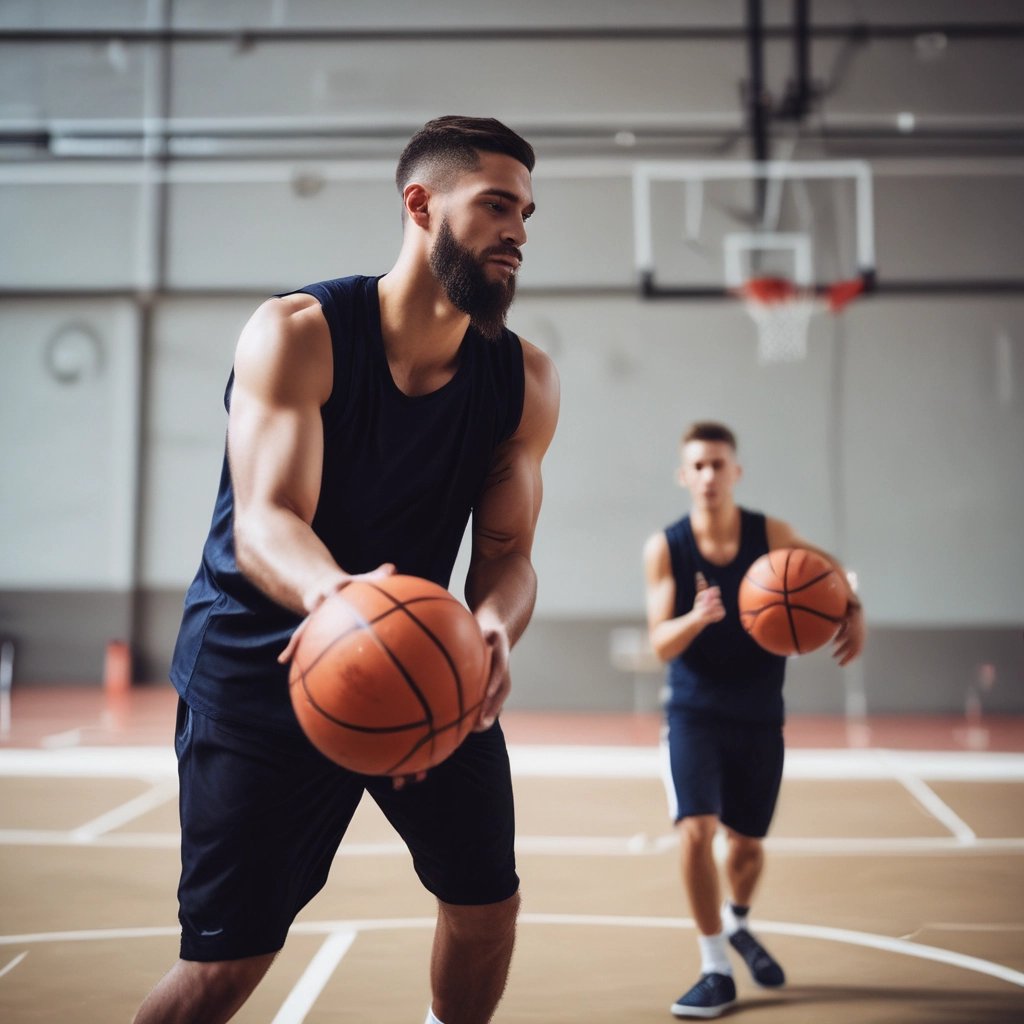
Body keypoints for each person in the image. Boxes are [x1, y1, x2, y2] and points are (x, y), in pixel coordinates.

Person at [133, 115, 559, 1024]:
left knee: (488, 910)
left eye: (525, 212)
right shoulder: (300, 334)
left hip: (427, 664)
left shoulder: (523, 380)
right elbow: (266, 520)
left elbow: (508, 553)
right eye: (494, 206)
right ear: (420, 204)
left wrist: (488, 627)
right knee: (225, 967)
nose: (517, 232)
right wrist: (342, 604)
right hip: (261, 677)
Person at [642, 421, 865, 1019]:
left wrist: (854, 608)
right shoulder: (666, 546)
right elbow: (660, 644)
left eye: (719, 464)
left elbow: (832, 573)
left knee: (747, 846)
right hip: (693, 711)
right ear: (684, 476)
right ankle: (716, 965)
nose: (709, 475)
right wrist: (696, 618)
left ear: (734, 472)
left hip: (760, 712)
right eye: (699, 465)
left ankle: (738, 922)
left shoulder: (772, 536)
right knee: (696, 830)